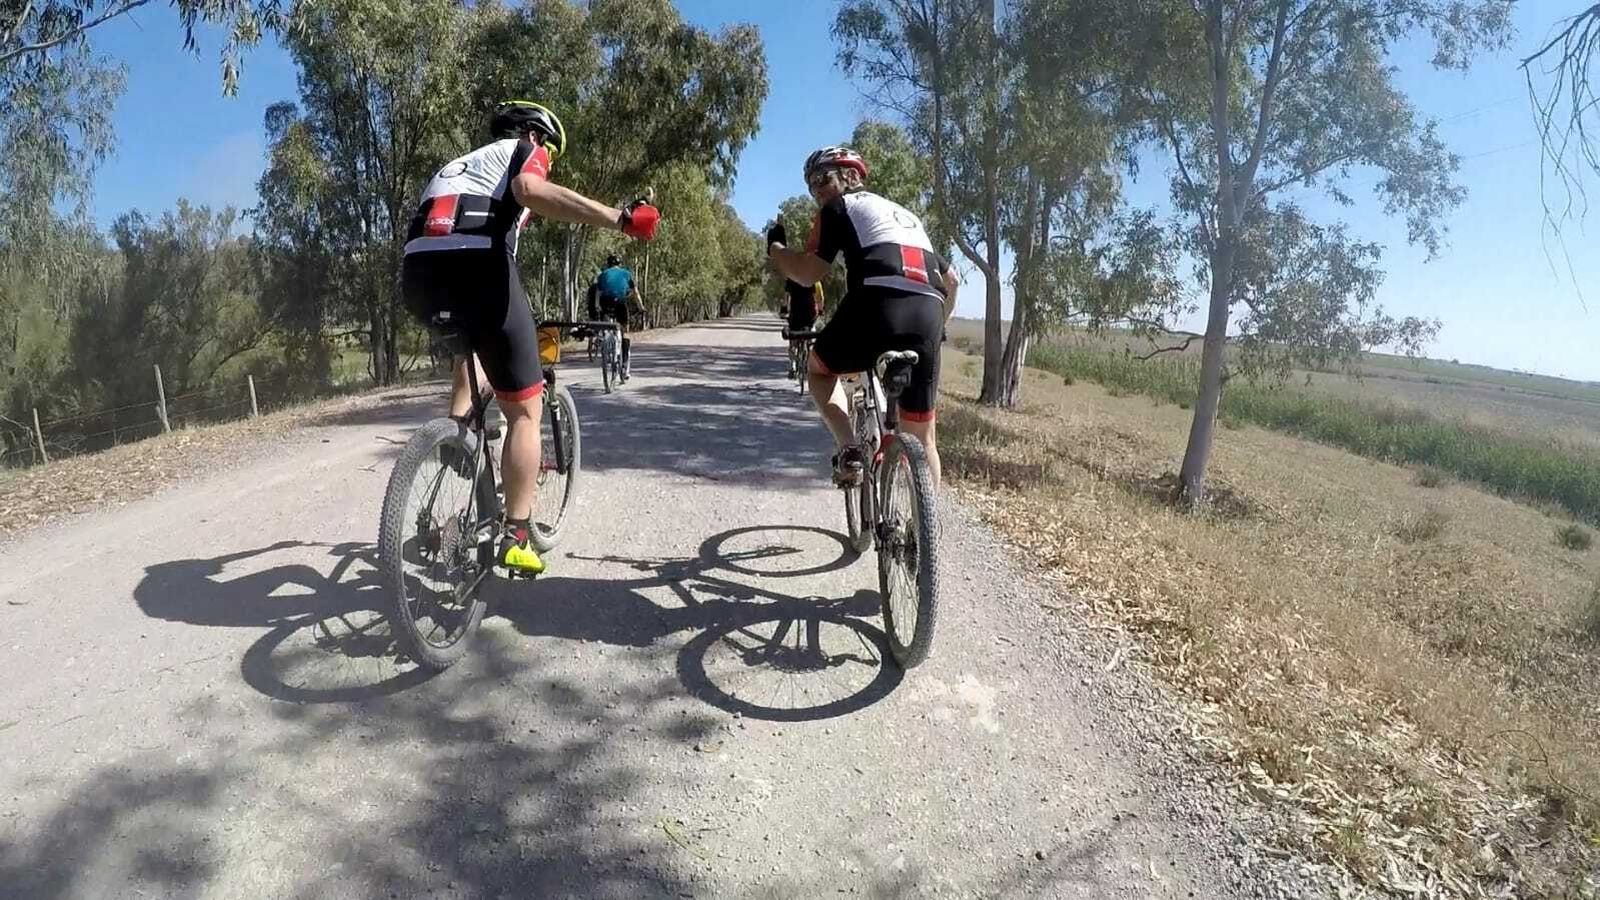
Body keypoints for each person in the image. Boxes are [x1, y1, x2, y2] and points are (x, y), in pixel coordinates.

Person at [399, 100, 659, 575]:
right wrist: (620, 219)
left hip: (417, 273)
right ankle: (517, 534)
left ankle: (459, 440)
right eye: (552, 155)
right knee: (524, 409)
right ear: (538, 136)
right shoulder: (524, 149)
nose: (548, 162)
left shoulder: (459, 165)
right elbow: (529, 189)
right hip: (477, 267)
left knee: (472, 351)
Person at [765, 146, 960, 488]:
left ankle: (850, 448)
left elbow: (808, 274)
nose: (817, 191)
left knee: (818, 369)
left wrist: (777, 249)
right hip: (928, 310)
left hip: (876, 303)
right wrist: (936, 331)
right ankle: (925, 532)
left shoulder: (839, 207)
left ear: (852, 176)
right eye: (811, 186)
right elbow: (952, 280)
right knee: (924, 436)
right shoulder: (906, 217)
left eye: (823, 178)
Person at [592, 254, 645, 377]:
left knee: (607, 326)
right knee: (625, 331)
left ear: (608, 264)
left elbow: (598, 293)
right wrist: (641, 307)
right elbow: (635, 292)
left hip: (605, 303)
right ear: (619, 264)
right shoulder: (626, 273)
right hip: (620, 303)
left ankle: (605, 340)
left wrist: (597, 306)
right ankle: (625, 367)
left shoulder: (602, 274)